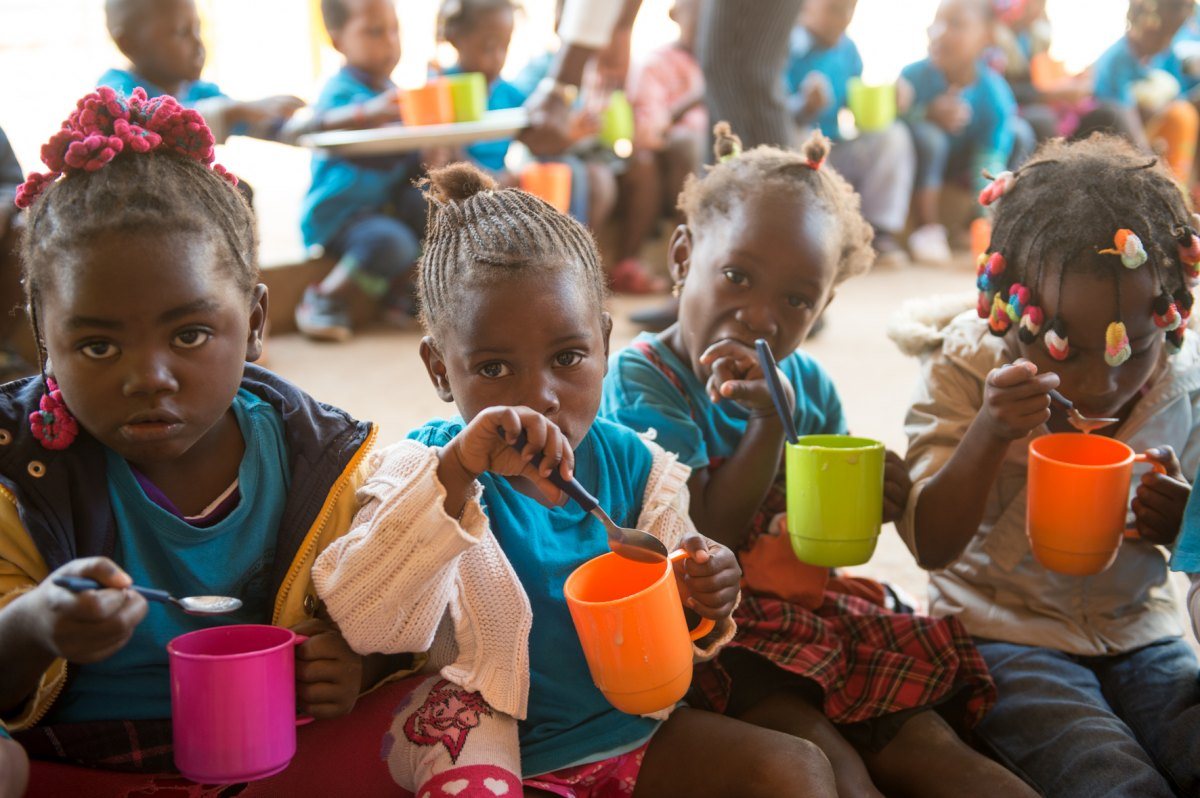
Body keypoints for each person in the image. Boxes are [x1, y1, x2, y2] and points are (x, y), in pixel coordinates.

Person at [312, 162, 840, 798]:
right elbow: (366, 619)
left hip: (634, 740)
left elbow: (684, 632)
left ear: (606, 343)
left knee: (798, 768)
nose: (540, 395)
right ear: (439, 369)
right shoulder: (424, 471)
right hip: (498, 759)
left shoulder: (642, 470)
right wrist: (455, 475)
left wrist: (706, 593)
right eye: (494, 367)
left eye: (568, 357)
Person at [600, 124, 1032, 798]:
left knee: (935, 749)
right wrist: (770, 424)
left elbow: (822, 545)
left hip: (816, 617)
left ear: (825, 306)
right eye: (737, 276)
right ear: (683, 256)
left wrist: (878, 498)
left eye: (797, 299)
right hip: (720, 633)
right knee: (832, 766)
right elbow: (702, 529)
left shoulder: (813, 388)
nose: (762, 316)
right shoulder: (645, 381)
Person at [0, 88, 409, 791]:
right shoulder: (18, 471)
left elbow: (410, 613)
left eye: (189, 335)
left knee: (446, 710)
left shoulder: (326, 460)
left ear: (254, 322)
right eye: (97, 347)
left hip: (274, 752)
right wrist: (34, 626)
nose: (149, 378)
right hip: (70, 759)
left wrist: (363, 664)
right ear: (43, 334)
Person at [893, 134, 1200, 797]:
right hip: (1001, 629)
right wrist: (989, 432)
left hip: (1141, 630)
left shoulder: (1189, 384)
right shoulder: (965, 367)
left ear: (1173, 314)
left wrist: (1185, 528)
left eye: (1132, 347)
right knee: (1108, 775)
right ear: (1011, 315)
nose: (1100, 384)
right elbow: (929, 544)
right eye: (1065, 347)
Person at [294, 0, 427, 342]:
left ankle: (402, 295)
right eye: (374, 31)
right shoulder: (341, 91)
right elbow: (316, 125)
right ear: (339, 41)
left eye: (395, 29)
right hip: (341, 214)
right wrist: (367, 113)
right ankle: (324, 297)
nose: (390, 41)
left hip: (385, 209)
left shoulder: (394, 95)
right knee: (392, 242)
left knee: (433, 204)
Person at [785, 0, 916, 266]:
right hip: (798, 157)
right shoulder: (784, 47)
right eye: (834, 8)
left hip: (837, 152)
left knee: (893, 134)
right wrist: (802, 105)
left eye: (850, 8)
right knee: (802, 139)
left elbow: (857, 108)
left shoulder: (847, 49)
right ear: (805, 5)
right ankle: (823, 237)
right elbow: (766, 110)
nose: (844, 18)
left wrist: (889, 99)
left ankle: (877, 233)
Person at [900, 0, 1019, 265]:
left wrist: (987, 218)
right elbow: (893, 126)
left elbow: (989, 160)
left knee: (1018, 133)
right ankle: (928, 228)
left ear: (987, 36)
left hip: (963, 172)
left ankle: (974, 225)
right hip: (921, 170)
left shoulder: (994, 94)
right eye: (937, 22)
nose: (940, 32)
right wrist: (925, 113)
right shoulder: (912, 77)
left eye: (956, 24)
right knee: (930, 137)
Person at [99, 0, 305, 144]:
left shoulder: (199, 92)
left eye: (198, 29)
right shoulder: (115, 91)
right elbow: (139, 124)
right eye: (182, 32)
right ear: (129, 44)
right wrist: (232, 111)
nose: (199, 43)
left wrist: (318, 122)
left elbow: (271, 129)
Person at [614, 0, 704, 293]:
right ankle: (685, 265)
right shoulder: (655, 64)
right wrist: (694, 99)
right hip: (674, 174)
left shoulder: (728, 66)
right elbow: (648, 133)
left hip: (713, 168)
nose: (707, 22)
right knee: (685, 143)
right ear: (675, 14)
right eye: (699, 10)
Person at [1092, 0, 1199, 184]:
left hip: (1156, 137)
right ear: (1149, 24)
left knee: (1183, 113)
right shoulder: (1119, 59)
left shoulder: (1164, 54)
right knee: (1179, 116)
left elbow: (1178, 97)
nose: (1167, 42)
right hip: (1121, 137)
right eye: (1163, 35)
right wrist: (1155, 168)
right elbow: (1125, 114)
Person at [438, 0, 525, 177]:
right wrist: (498, 181)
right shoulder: (440, 90)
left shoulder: (509, 94)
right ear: (456, 38)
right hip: (460, 188)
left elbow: (538, 131)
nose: (498, 57)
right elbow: (451, 161)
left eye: (505, 46)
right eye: (489, 47)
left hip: (499, 186)